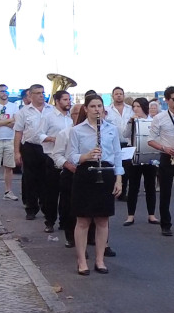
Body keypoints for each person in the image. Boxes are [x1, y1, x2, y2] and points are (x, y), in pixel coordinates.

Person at [66, 94, 123, 275]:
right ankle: (82, 260)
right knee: (83, 219)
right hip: (85, 173)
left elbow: (117, 155)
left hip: (105, 173)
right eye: (93, 106)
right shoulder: (77, 130)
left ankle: (100, 260)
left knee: (102, 219)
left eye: (99, 106)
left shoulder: (111, 129)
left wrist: (119, 179)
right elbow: (71, 155)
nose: (97, 109)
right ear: (86, 109)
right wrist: (86, 156)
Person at [148, 86, 174, 238]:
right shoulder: (160, 118)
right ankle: (165, 224)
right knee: (165, 192)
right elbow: (150, 140)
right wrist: (165, 148)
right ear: (167, 100)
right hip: (167, 156)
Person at [37, 88, 72, 235]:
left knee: (67, 194)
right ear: (57, 101)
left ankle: (64, 222)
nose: (68, 102)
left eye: (69, 99)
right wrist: (52, 139)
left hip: (67, 159)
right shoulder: (48, 117)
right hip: (52, 157)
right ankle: (50, 221)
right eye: (65, 99)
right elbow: (38, 134)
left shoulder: (71, 118)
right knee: (51, 193)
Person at [13, 84, 48, 221]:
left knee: (46, 179)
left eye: (43, 93)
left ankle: (46, 207)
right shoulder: (23, 112)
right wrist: (17, 152)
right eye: (38, 93)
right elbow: (18, 133)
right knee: (30, 179)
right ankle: (31, 208)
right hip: (30, 147)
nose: (41, 95)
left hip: (47, 148)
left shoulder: (51, 110)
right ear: (30, 95)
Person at [47, 95, 78, 248]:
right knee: (67, 204)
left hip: (88, 173)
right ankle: (69, 235)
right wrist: (67, 164)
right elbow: (56, 154)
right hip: (67, 170)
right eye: (76, 114)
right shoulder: (64, 132)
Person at [124, 98, 158, 226]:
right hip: (134, 157)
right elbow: (125, 134)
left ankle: (151, 215)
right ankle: (130, 216)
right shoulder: (132, 121)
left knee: (150, 187)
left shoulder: (153, 121)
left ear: (144, 107)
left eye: (138, 106)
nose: (135, 109)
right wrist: (130, 122)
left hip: (149, 157)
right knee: (133, 187)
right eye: (134, 106)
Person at [107, 86, 135, 198]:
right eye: (116, 94)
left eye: (121, 94)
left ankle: (123, 192)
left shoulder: (130, 109)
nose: (119, 95)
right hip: (114, 143)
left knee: (127, 168)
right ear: (112, 96)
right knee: (114, 166)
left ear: (124, 95)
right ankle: (113, 190)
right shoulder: (107, 110)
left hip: (127, 142)